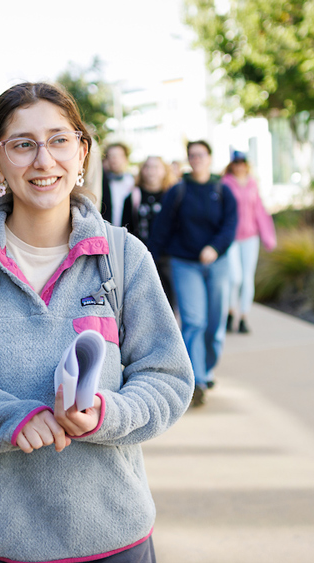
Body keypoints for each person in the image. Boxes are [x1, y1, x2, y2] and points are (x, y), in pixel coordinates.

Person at [0, 82, 193, 563]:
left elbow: (169, 379)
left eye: (59, 140)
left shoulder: (124, 257)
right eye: (23, 144)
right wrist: (11, 419)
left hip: (112, 538)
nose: (43, 160)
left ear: (82, 152)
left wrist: (106, 414)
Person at [149, 140, 237, 407]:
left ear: (210, 158)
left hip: (217, 263)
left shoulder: (223, 190)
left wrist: (214, 247)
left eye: (201, 155)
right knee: (194, 321)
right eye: (192, 156)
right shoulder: (178, 191)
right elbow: (161, 230)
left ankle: (207, 369)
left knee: (214, 325)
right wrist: (148, 262)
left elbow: (230, 225)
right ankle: (196, 380)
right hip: (184, 263)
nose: (196, 159)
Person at [223, 150, 277, 334]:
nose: (240, 166)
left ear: (247, 164)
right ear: (232, 164)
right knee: (234, 277)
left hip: (250, 237)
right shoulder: (226, 184)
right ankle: (230, 311)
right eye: (236, 163)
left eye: (242, 162)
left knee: (247, 278)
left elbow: (260, 211)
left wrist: (268, 236)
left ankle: (244, 316)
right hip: (231, 238)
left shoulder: (253, 184)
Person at [121, 155, 177, 308]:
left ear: (164, 171)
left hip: (166, 258)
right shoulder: (133, 197)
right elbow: (125, 229)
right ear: (142, 171)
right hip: (140, 256)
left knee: (167, 300)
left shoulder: (172, 196)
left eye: (156, 167)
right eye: (148, 167)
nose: (151, 171)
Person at [100, 142, 134, 226]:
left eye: (118, 156)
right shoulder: (101, 183)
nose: (114, 159)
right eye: (110, 156)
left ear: (125, 159)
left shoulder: (132, 183)